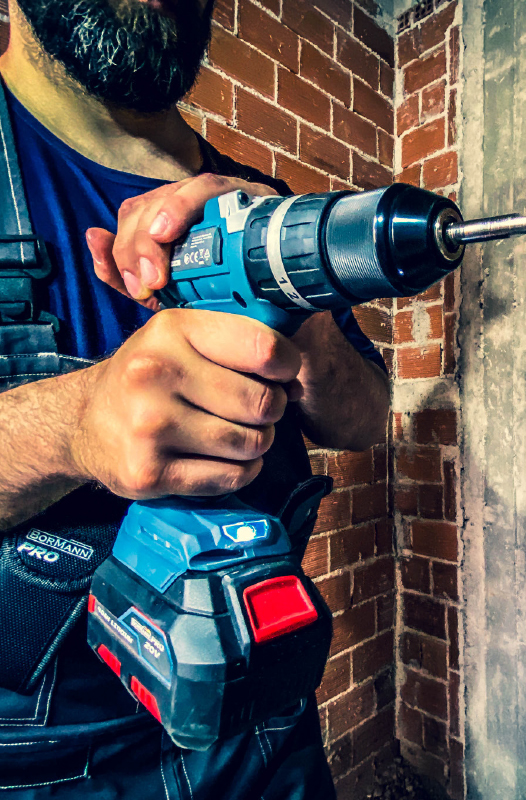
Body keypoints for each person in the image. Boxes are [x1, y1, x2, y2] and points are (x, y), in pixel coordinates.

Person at [0, 0, 390, 797]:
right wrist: (71, 427)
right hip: (47, 766)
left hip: (265, 720)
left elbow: (364, 418)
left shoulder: (259, 202)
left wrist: (296, 304)